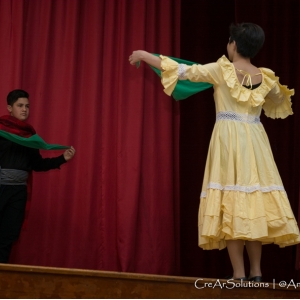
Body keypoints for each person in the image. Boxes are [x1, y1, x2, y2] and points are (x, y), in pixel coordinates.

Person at [128, 23, 300, 282]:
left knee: (230, 202)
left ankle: (239, 274)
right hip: (255, 143)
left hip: (228, 142)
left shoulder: (222, 70)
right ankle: (256, 272)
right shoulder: (265, 77)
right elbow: (278, 98)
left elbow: (183, 71)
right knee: (253, 203)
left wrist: (143, 54)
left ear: (233, 44)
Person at [0, 89, 76, 263]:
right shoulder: (1, 131)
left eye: (27, 106)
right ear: (9, 108)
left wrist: (63, 158)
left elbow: (37, 165)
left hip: (18, 193)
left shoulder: (30, 136)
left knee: (7, 238)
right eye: (20, 106)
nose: (24, 109)